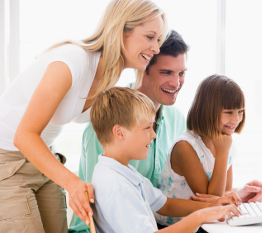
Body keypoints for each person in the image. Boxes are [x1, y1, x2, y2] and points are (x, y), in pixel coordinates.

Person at [0, 1, 167, 232]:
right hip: (7, 161)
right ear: (120, 30)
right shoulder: (72, 60)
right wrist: (73, 183)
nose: (156, 48)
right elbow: (24, 135)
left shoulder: (110, 77)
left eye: (159, 40)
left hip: (43, 157)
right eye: (150, 37)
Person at [69, 30, 188, 232]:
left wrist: (223, 201)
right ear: (143, 69)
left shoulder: (177, 119)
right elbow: (93, 205)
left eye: (182, 73)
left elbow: (166, 196)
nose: (176, 83)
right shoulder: (110, 119)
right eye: (166, 72)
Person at [89, 86, 242, 233]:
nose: (154, 134)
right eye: (147, 128)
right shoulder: (118, 187)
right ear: (120, 133)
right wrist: (200, 216)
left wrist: (212, 205)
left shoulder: (121, 171)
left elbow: (165, 205)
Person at [155, 75, 262, 227]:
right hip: (173, 225)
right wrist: (222, 153)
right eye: (228, 112)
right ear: (208, 111)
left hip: (203, 222)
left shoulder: (226, 144)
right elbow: (212, 197)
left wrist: (238, 194)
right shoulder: (185, 146)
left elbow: (224, 192)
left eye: (240, 111)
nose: (236, 119)